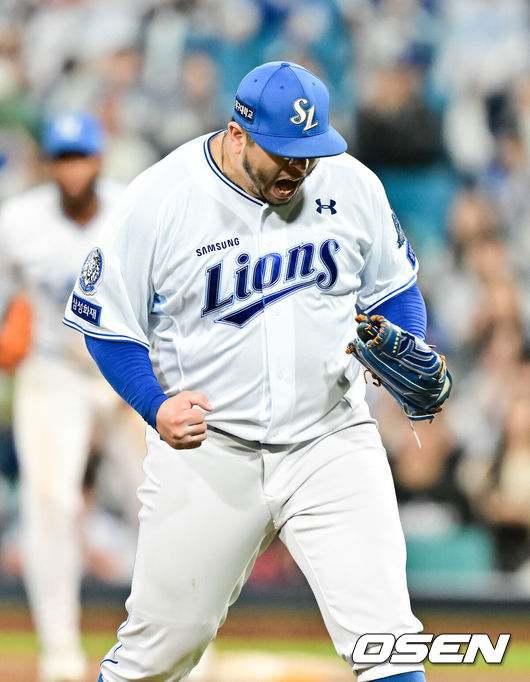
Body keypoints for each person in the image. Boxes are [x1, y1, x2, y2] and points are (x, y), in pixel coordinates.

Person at [64, 62, 431, 682]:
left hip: (329, 441)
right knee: (159, 655)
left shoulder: (352, 184)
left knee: (388, 641)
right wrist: (155, 405)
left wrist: (409, 344)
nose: (301, 166)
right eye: (284, 152)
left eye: (311, 150)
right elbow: (106, 324)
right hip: (210, 452)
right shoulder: (162, 198)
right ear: (238, 134)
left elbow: (395, 288)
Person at [0, 112, 146, 682]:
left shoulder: (131, 211)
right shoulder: (18, 222)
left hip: (127, 364)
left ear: (99, 159)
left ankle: (176, 638)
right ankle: (59, 648)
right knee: (50, 503)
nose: (72, 169)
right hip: (54, 368)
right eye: (62, 158)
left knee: (159, 498)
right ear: (46, 164)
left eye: (80, 156)